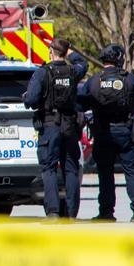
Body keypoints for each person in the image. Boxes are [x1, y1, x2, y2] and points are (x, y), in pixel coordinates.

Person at [80, 44, 134, 223]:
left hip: (103, 131)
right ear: (119, 59)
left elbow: (81, 102)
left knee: (105, 174)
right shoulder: (129, 79)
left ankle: (106, 212)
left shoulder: (94, 80)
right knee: (132, 172)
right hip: (125, 130)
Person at [23, 38, 88, 220]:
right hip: (69, 125)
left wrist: (28, 97)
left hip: (50, 125)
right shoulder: (73, 71)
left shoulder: (43, 73)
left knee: (49, 168)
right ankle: (72, 213)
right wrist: (69, 51)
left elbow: (31, 100)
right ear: (65, 53)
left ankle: (52, 212)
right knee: (71, 168)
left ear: (51, 51)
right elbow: (83, 63)